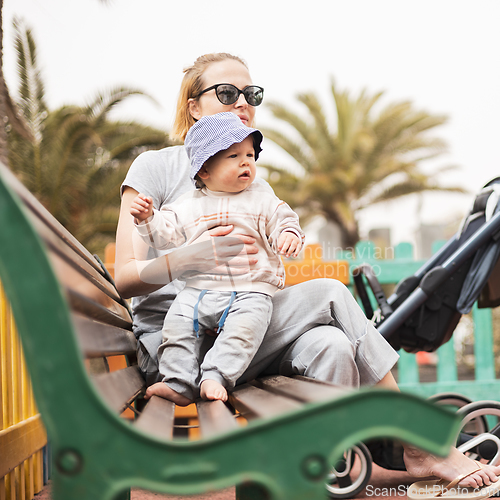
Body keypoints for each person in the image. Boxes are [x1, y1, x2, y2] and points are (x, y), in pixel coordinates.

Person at [115, 52, 500, 489]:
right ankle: (417, 443)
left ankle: (339, 473)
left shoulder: (251, 181)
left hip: (243, 329)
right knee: (331, 293)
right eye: (226, 93)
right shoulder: (155, 168)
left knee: (330, 343)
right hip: (179, 347)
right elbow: (125, 276)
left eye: (252, 94)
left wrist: (279, 246)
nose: (243, 102)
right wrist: (193, 257)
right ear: (193, 106)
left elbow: (273, 240)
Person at [130, 112, 304, 404]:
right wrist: (148, 219)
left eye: (250, 154)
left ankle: (216, 375)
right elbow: (165, 233)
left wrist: (288, 235)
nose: (245, 161)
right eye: (234, 155)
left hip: (251, 289)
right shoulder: (189, 205)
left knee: (244, 330)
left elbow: (283, 220)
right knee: (177, 324)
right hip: (200, 289)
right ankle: (178, 381)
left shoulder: (262, 198)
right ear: (204, 171)